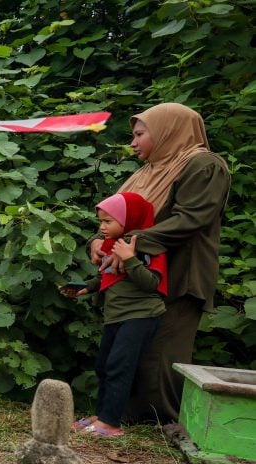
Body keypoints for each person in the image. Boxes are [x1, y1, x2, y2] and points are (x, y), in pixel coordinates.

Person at [88, 103, 231, 424]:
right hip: (137, 280)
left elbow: (190, 220)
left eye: (140, 134)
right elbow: (116, 218)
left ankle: (161, 426)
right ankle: (119, 418)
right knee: (126, 355)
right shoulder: (146, 172)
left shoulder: (202, 166)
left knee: (161, 358)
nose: (133, 142)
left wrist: (127, 246)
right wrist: (96, 243)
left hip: (179, 277)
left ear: (168, 131)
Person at [63, 192, 167, 436]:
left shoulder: (147, 246)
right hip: (117, 315)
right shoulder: (114, 246)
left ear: (129, 219)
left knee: (119, 366)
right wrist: (87, 286)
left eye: (108, 221)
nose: (102, 227)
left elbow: (152, 283)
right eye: (101, 221)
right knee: (103, 366)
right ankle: (102, 416)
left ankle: (111, 423)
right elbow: (107, 275)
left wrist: (130, 259)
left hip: (141, 314)